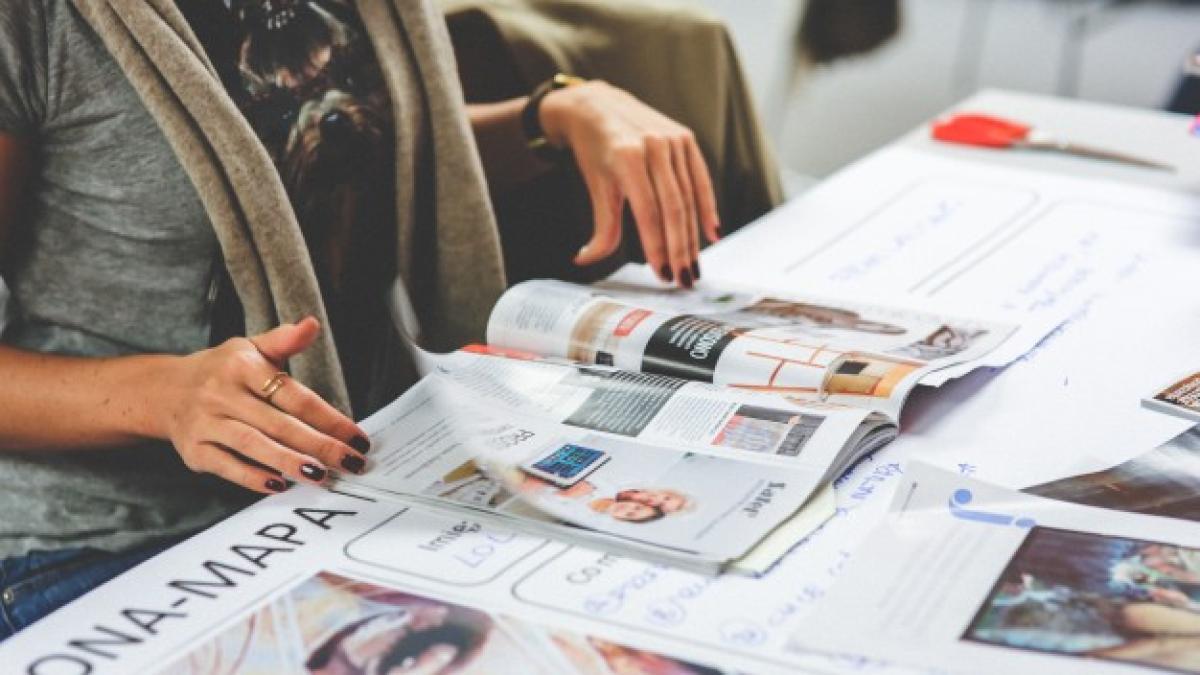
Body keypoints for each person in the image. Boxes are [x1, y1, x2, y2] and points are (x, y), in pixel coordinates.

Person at [0, 0, 722, 639]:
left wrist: (552, 117)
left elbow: (345, 152)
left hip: (360, 480)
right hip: (109, 544)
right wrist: (164, 394)